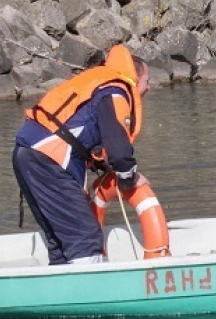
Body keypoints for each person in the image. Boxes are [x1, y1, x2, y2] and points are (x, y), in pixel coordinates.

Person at [12, 44, 151, 264]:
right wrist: (129, 176)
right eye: (147, 81)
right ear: (136, 76)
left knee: (60, 238)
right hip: (47, 158)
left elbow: (78, 130)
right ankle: (90, 295)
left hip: (27, 152)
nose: (149, 88)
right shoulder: (116, 90)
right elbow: (118, 145)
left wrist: (104, 167)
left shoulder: (96, 81)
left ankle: (59, 291)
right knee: (84, 237)